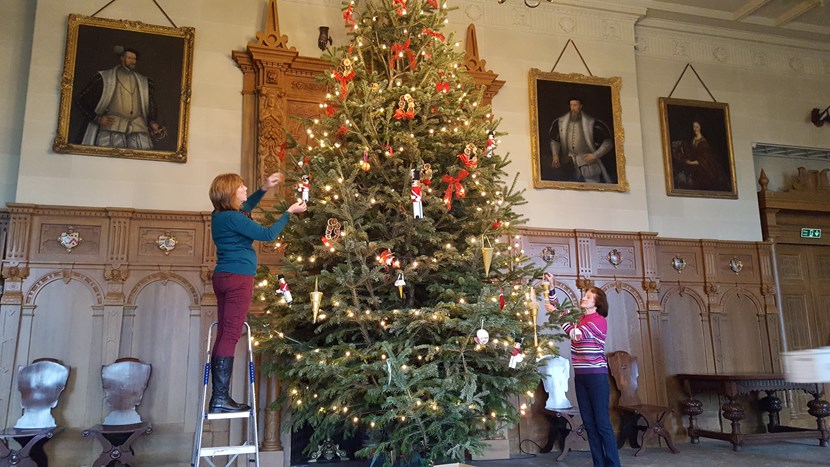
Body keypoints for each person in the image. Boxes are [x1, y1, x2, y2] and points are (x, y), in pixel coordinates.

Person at [208, 172, 306, 413]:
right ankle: (220, 398)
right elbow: (267, 235)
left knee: (224, 333)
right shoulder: (233, 217)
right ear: (231, 192)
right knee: (231, 335)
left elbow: (247, 206)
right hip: (238, 279)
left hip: (222, 276)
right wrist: (289, 213)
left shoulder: (220, 215)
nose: (245, 189)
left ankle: (219, 396)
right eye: (241, 187)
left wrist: (264, 188)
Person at [544, 273, 620, 467]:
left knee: (602, 425)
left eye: (588, 296)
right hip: (581, 378)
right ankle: (599, 464)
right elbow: (562, 313)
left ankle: (613, 464)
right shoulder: (580, 319)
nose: (583, 297)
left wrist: (556, 314)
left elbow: (576, 334)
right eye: (584, 295)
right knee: (589, 425)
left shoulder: (599, 320)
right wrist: (551, 287)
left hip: (597, 378)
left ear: (597, 302)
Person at [75, 45, 166, 149]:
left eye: (134, 59)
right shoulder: (104, 77)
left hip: (138, 127)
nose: (132, 61)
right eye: (129, 58)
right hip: (112, 126)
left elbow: (150, 103)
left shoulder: (143, 81)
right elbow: (80, 100)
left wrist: (152, 122)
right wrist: (96, 118)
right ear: (122, 58)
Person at [548, 98, 614, 183]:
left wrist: (595, 155)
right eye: (571, 105)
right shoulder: (560, 123)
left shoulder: (593, 123)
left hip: (588, 165)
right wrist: (555, 155)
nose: (572, 108)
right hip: (569, 164)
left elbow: (607, 143)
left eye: (575, 105)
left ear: (581, 106)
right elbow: (554, 140)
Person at [672, 120, 729, 191]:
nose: (695, 129)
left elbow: (703, 160)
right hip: (693, 164)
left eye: (697, 127)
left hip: (703, 167)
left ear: (700, 128)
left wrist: (690, 163)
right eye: (693, 127)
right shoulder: (693, 139)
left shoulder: (703, 143)